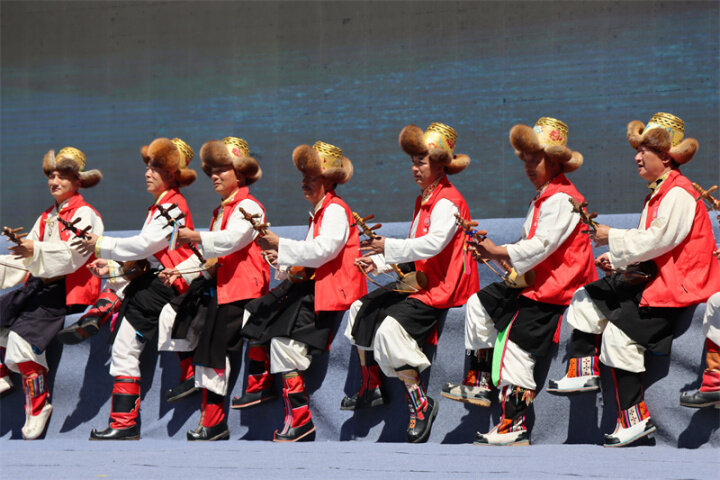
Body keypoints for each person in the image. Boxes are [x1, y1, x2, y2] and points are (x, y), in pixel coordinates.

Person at [549, 113, 720, 447]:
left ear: (666, 157)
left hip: (677, 290)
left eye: (644, 151)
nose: (637, 158)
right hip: (656, 282)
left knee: (618, 335)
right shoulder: (660, 193)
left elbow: (659, 240)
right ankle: (582, 371)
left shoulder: (679, 193)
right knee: (586, 296)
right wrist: (616, 262)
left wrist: (611, 237)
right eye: (637, 151)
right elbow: (650, 244)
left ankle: (633, 419)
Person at [447, 117, 596, 447]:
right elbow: (531, 246)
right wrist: (493, 253)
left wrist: (498, 250)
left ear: (554, 161)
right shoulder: (545, 196)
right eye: (526, 160)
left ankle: (513, 425)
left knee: (514, 348)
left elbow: (542, 246)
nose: (528, 166)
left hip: (555, 290)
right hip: (535, 282)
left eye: (535, 159)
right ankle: (479, 380)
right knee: (479, 305)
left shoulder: (563, 198)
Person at [351, 122, 479, 443]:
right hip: (420, 281)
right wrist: (379, 263)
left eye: (421, 162)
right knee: (359, 309)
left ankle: (419, 403)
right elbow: (413, 251)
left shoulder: (447, 201)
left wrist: (387, 247)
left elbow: (432, 245)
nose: (414, 168)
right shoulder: (425, 199)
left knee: (389, 331)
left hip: (441, 287)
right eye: (413, 162)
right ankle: (372, 386)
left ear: (440, 164)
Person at [237, 141, 366, 442]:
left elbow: (323, 251)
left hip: (329, 293)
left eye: (311, 177)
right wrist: (279, 258)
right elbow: (310, 256)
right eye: (304, 176)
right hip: (314, 288)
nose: (304, 182)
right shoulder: (320, 212)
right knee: (259, 313)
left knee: (283, 341)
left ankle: (299, 418)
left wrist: (280, 245)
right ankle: (279, 402)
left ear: (329, 180)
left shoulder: (335, 210)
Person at [74, 137, 202, 440]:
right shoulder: (162, 205)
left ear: (171, 173)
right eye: (147, 167)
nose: (147, 173)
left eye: (155, 168)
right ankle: (123, 422)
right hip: (160, 282)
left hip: (168, 284)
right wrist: (113, 267)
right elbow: (146, 254)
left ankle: (124, 423)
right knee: (124, 347)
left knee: (125, 347)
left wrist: (101, 244)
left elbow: (144, 246)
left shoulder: (171, 206)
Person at [157, 136, 269, 441]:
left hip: (242, 291)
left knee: (215, 352)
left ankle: (214, 421)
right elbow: (211, 256)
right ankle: (194, 387)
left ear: (240, 174)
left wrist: (193, 236)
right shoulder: (222, 210)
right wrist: (178, 270)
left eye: (222, 170)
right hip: (222, 288)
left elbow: (231, 241)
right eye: (213, 171)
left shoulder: (249, 206)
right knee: (175, 316)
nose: (215, 176)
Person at [0, 147, 103, 439]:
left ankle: (38, 405)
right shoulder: (47, 216)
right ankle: (3, 375)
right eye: (52, 176)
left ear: (78, 181)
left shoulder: (86, 214)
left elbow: (74, 256)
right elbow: (26, 258)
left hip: (66, 292)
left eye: (63, 177)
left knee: (21, 339)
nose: (54, 182)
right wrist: (24, 252)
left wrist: (35, 249)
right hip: (40, 288)